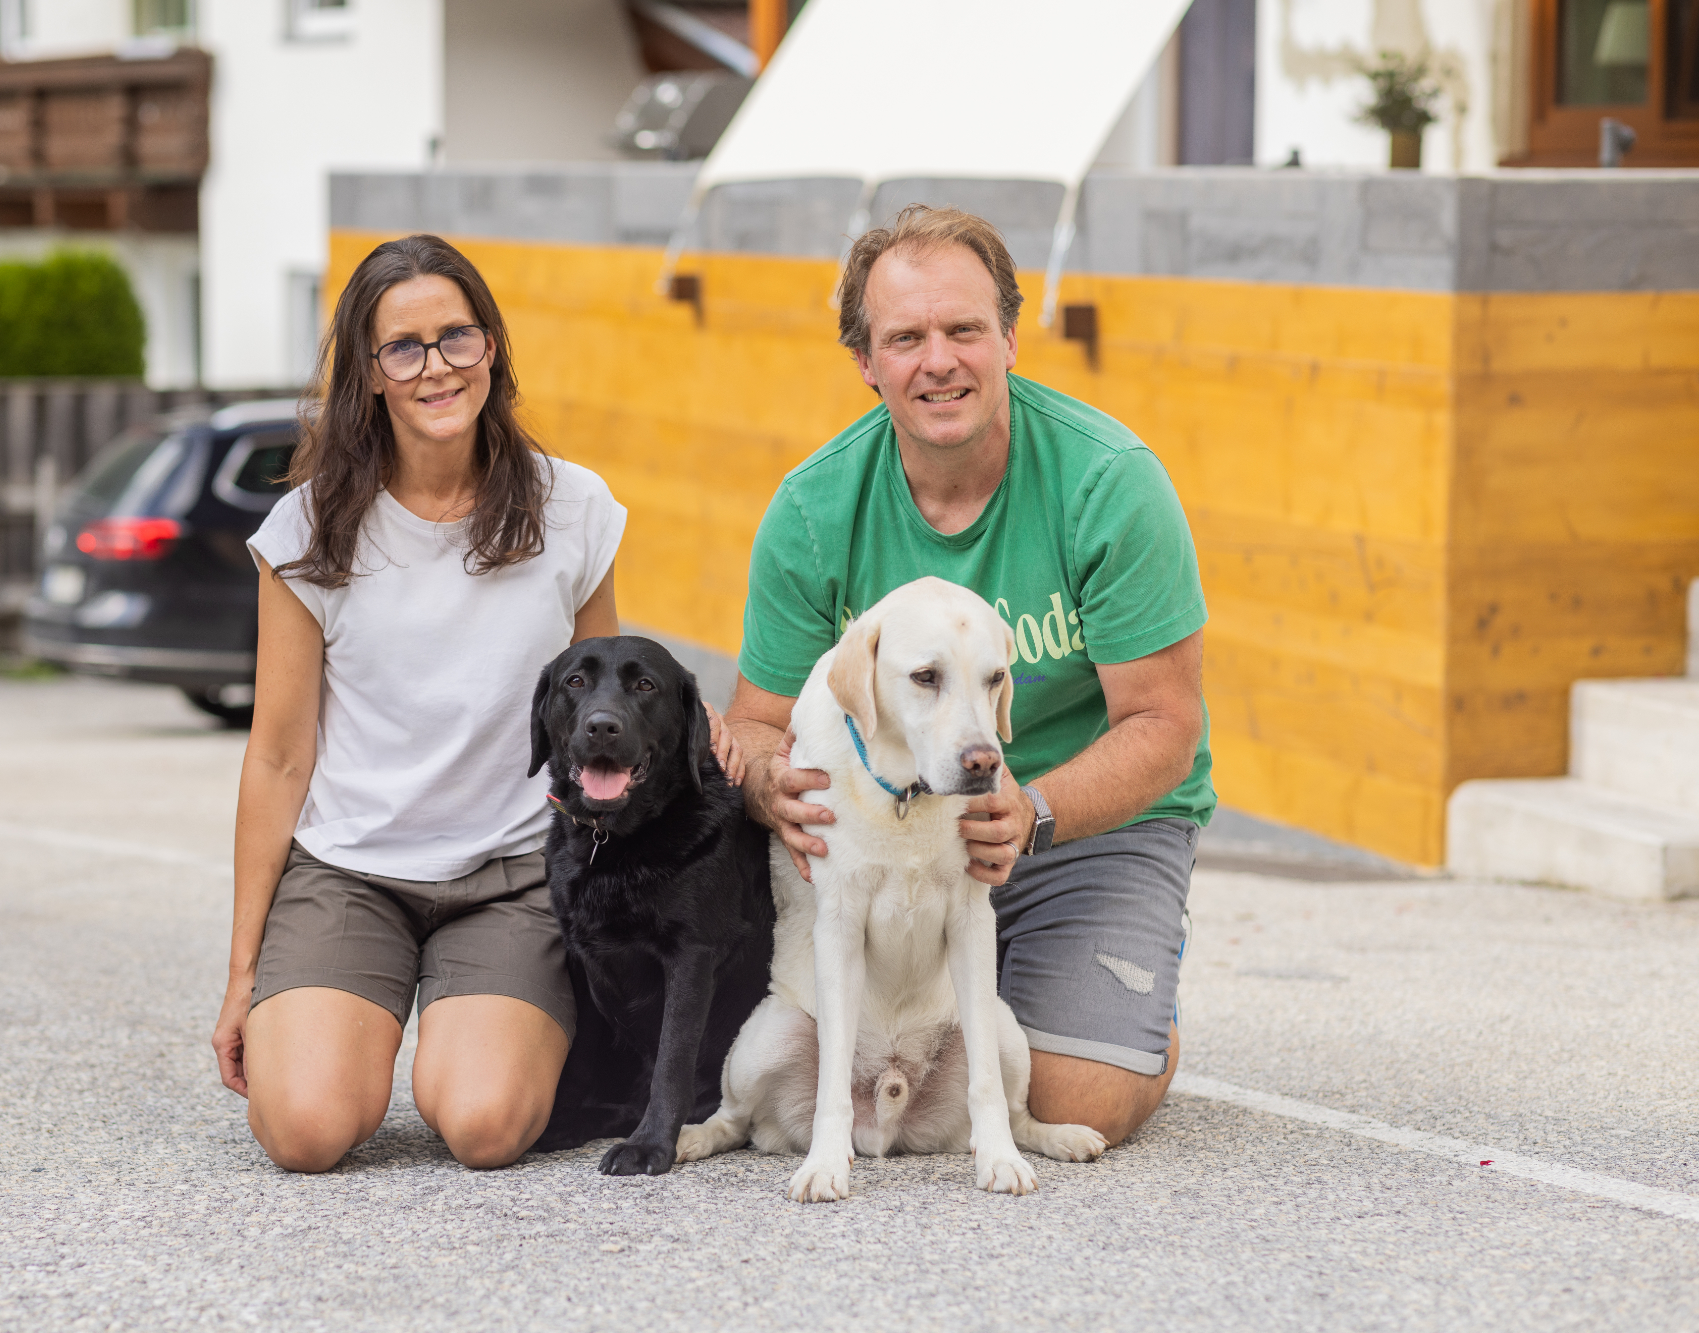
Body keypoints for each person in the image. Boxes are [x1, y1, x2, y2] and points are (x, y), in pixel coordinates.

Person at [209, 234, 737, 1173]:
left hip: (511, 872)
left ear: (491, 345)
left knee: (486, 1127)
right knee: (305, 1129)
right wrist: (244, 970)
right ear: (368, 374)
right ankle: (348, 1018)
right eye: (402, 347)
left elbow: (609, 701)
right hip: (351, 871)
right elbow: (280, 756)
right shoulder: (306, 532)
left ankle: (465, 1027)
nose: (435, 367)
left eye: (457, 337)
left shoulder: (572, 507)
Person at [726, 205, 1214, 1148]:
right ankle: (1027, 992)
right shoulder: (814, 507)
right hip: (888, 842)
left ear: (1010, 340)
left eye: (964, 329)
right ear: (867, 362)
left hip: (1080, 821)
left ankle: (1133, 1016)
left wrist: (1034, 811)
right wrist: (765, 785)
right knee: (764, 1057)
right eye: (905, 337)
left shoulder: (1110, 483)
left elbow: (1164, 725)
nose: (938, 360)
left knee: (1078, 1099)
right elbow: (753, 724)